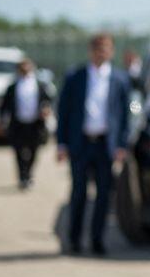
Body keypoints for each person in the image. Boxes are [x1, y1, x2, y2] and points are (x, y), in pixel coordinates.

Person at [55, 33, 132, 256]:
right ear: (90, 51)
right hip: (80, 144)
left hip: (105, 146)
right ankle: (74, 239)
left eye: (106, 48)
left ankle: (97, 240)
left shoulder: (120, 79)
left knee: (103, 195)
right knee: (78, 193)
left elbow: (124, 115)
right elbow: (64, 111)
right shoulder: (75, 76)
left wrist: (121, 145)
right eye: (97, 48)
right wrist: (61, 144)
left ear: (112, 51)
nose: (101, 52)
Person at [0, 57, 53, 189]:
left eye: (27, 66)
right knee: (18, 151)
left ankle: (29, 173)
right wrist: (0, 122)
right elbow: (4, 106)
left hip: (35, 124)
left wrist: (46, 109)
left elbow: (49, 101)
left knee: (34, 150)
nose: (25, 69)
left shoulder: (40, 85)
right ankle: (22, 176)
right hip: (18, 124)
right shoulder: (12, 87)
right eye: (22, 66)